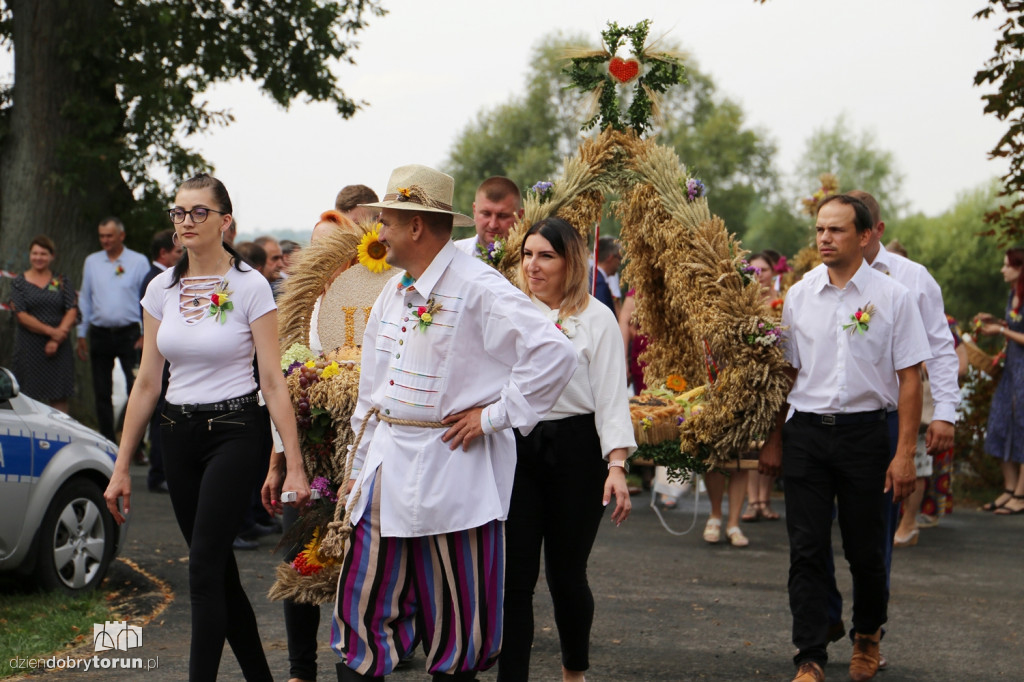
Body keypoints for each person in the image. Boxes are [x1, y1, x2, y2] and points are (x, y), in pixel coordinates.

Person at [328, 164, 576, 682]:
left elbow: (553, 352)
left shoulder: (478, 287)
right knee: (360, 619)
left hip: (455, 478)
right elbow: (372, 392)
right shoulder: (393, 294)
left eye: (387, 221)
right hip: (386, 472)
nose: (379, 233)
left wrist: (494, 415)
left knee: (459, 631)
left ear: (417, 226)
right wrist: (357, 467)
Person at [103, 173, 310, 681]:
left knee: (200, 570)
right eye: (179, 212)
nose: (186, 221)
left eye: (199, 212)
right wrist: (121, 465)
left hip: (237, 430)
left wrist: (294, 465)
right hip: (176, 434)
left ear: (225, 221)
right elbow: (148, 382)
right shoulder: (160, 289)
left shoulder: (250, 286)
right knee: (217, 570)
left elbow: (273, 380)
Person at [758, 194, 928, 682]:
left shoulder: (893, 297)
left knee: (865, 550)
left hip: (865, 436)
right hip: (807, 434)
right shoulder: (800, 294)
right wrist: (773, 439)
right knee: (806, 549)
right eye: (819, 230)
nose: (825, 239)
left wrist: (904, 456)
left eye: (836, 230)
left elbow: (911, 377)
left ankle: (868, 635)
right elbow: (785, 372)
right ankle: (809, 654)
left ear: (866, 235)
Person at [499, 217, 633, 682]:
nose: (532, 265)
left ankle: (573, 671)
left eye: (545, 256)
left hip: (577, 452)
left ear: (570, 261)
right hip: (516, 447)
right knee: (513, 579)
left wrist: (616, 465)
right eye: (527, 254)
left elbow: (613, 396)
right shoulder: (509, 310)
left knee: (566, 575)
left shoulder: (596, 318)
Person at [76, 216, 150, 444]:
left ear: (121, 236)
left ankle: (133, 441)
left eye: (109, 236)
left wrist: (146, 332)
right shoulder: (92, 262)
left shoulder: (138, 262)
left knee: (136, 389)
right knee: (101, 391)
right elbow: (86, 298)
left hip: (130, 334)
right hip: (100, 332)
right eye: (101, 236)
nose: (105, 240)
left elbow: (148, 299)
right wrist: (81, 332)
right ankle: (107, 440)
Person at [975, 247, 1024, 515]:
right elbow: (1016, 326)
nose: (1002, 269)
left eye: (1007, 265)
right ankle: (1009, 489)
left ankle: (1021, 495)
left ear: (1020, 268)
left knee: (1023, 427)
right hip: (1011, 371)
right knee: (999, 424)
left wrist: (1001, 330)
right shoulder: (1013, 294)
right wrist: (995, 321)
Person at [743, 249, 787, 523]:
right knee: (752, 440)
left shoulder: (783, 303)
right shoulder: (743, 303)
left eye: (764, 270)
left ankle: (765, 499)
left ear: (773, 273)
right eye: (754, 270)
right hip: (750, 377)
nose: (759, 276)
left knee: (772, 436)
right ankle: (752, 500)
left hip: (777, 377)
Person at [10, 235, 78, 413]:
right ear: (30, 255)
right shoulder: (19, 283)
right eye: (35, 253)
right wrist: (51, 332)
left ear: (52, 256)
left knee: (59, 395)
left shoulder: (61, 281)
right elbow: (21, 315)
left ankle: (61, 435)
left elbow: (72, 309)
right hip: (29, 348)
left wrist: (57, 338)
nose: (39, 257)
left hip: (59, 347)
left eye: (43, 253)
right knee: (27, 396)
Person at [139, 228, 183, 493]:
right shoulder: (157, 281)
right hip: (162, 358)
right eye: (178, 252)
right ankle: (157, 472)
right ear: (164, 253)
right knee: (160, 417)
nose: (182, 257)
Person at [453, 176, 523, 256]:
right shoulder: (454, 254)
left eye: (502, 216)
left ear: (519, 216)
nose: (493, 225)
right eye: (486, 214)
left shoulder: (530, 261)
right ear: (474, 211)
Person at [592, 235, 621, 316]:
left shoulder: (590, 276)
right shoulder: (599, 285)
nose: (620, 263)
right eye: (619, 258)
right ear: (610, 257)